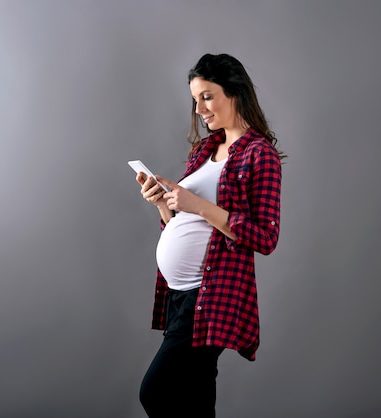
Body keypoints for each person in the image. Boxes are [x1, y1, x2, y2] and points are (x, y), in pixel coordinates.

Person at [136, 53, 284, 417]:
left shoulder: (258, 155)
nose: (199, 108)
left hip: (210, 296)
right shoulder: (204, 150)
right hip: (179, 297)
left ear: (234, 92)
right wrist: (164, 202)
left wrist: (197, 204)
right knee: (196, 398)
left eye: (207, 96)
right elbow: (182, 227)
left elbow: (265, 237)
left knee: (156, 392)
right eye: (194, 98)